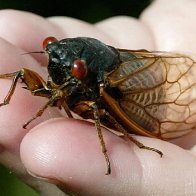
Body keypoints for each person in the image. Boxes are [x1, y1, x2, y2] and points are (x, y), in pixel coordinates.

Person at [1, 0, 196, 195]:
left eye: (77, 69)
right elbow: (55, 90)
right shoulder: (66, 63)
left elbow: (82, 103)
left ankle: (131, 143)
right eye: (48, 45)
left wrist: (138, 144)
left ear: (82, 71)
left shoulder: (95, 80)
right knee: (21, 73)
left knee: (96, 109)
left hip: (134, 91)